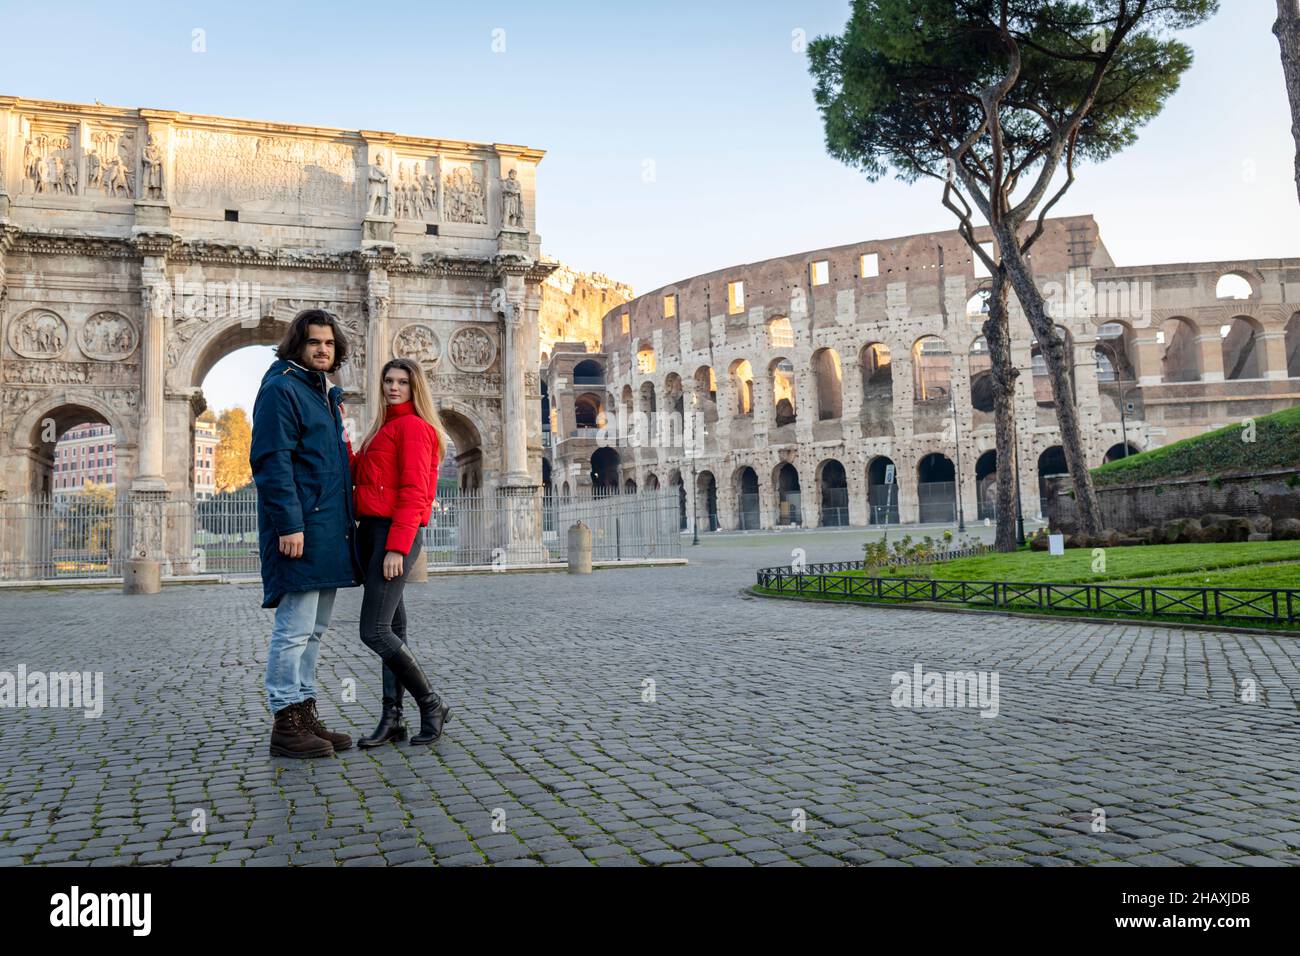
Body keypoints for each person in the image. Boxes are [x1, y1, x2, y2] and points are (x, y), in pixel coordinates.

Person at [250, 310, 361, 758]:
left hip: (328, 527)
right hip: (303, 528)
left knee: (313, 631)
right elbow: (272, 461)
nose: (322, 349)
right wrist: (290, 524)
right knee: (293, 630)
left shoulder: (323, 395)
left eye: (329, 344)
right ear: (297, 345)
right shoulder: (281, 389)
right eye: (314, 342)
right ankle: (284, 720)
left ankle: (304, 709)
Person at [350, 357, 452, 746]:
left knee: (373, 630)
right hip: (373, 533)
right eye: (388, 380)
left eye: (402, 382)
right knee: (392, 627)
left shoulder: (414, 428)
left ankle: (431, 703)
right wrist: (339, 430)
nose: (393, 387)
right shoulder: (382, 430)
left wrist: (397, 547)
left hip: (394, 536)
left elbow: (415, 494)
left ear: (415, 388)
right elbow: (359, 475)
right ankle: (393, 718)